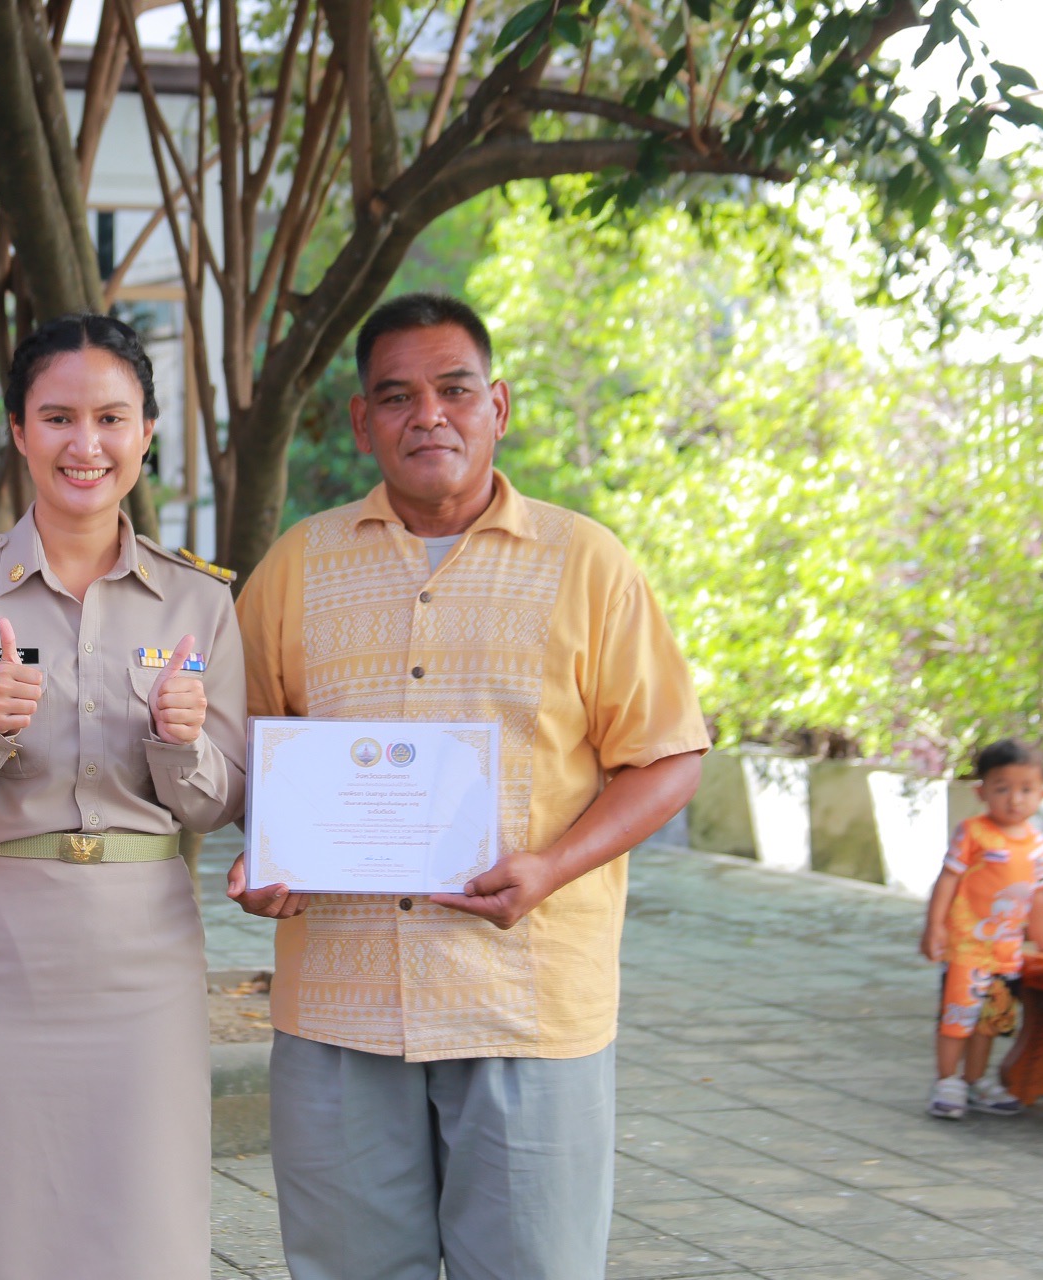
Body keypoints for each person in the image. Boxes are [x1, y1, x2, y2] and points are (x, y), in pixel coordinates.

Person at [229, 292, 708, 1280]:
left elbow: (667, 755)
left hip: (525, 1001)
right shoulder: (295, 567)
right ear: (363, 421)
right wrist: (266, 847)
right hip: (340, 1000)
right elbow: (246, 749)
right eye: (396, 396)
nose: (428, 415)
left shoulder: (588, 564)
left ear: (498, 404)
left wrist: (551, 864)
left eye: (453, 390)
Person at [0, 313, 246, 1280]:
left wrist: (182, 743)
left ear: (147, 434)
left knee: (145, 1224)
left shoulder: (200, 601)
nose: (87, 445)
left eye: (112, 418)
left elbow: (218, 799)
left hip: (144, 956)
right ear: (18, 429)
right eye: (59, 418)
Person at [921, 738, 1043, 1119]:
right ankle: (947, 1081)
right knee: (957, 1017)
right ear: (982, 792)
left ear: (1042, 793)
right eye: (1002, 789)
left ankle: (976, 1080)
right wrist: (934, 927)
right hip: (966, 947)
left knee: (992, 1020)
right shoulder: (973, 833)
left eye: (1026, 790)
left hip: (1007, 952)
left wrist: (1042, 938)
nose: (1015, 800)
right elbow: (947, 880)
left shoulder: (1037, 844)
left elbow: (1039, 895)